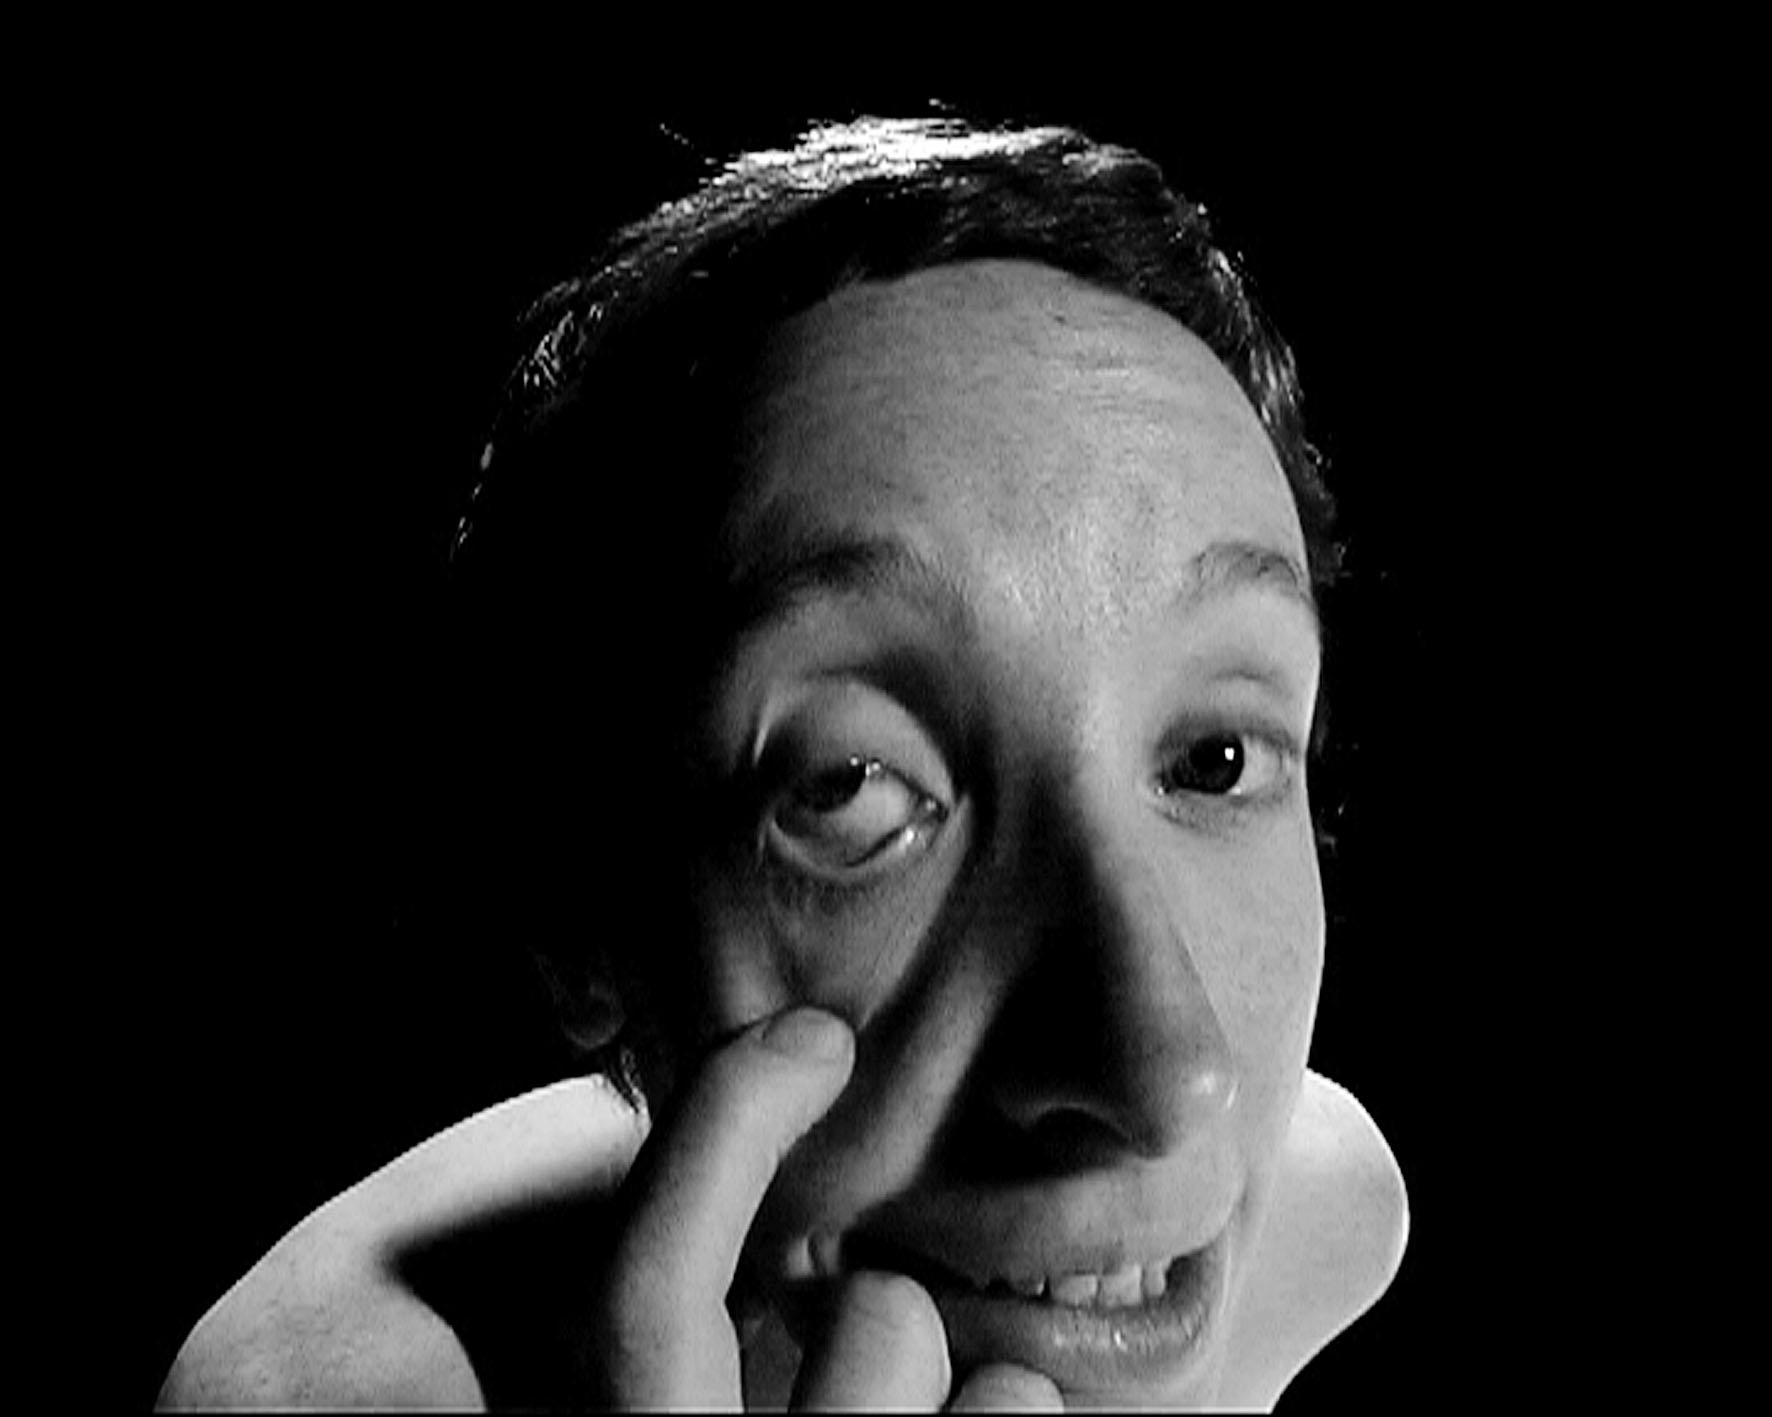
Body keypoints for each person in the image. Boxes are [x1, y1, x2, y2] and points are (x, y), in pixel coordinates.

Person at [158, 114, 1407, 1410]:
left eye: (1213, 759)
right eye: (850, 786)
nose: (1166, 1078)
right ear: (576, 912)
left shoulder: (1319, 1222)